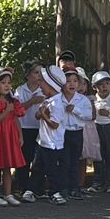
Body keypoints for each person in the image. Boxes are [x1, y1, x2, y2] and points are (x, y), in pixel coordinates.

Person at [0, 69, 25, 206]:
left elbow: (15, 119)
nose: (7, 85)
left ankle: (8, 194)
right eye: (3, 83)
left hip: (10, 135)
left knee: (7, 166)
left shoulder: (12, 101)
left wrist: (20, 135)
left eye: (9, 82)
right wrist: (7, 110)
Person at [34, 68, 71, 204]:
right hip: (42, 141)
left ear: (50, 84)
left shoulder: (57, 104)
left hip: (52, 143)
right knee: (37, 167)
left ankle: (55, 192)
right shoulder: (48, 100)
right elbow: (38, 115)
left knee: (51, 169)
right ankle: (32, 190)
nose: (39, 85)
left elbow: (54, 125)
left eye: (42, 82)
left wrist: (44, 115)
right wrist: (40, 113)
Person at [15, 64, 51, 202]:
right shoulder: (20, 90)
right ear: (28, 75)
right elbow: (17, 109)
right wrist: (31, 101)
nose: (38, 76)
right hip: (25, 127)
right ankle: (23, 187)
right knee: (24, 159)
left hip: (40, 127)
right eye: (36, 72)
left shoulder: (44, 89)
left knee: (39, 159)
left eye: (41, 73)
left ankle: (37, 188)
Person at [55, 68, 91, 200]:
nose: (72, 84)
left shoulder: (83, 100)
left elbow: (88, 115)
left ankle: (74, 187)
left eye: (75, 81)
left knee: (75, 161)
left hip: (77, 133)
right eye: (68, 81)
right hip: (63, 133)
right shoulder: (58, 99)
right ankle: (63, 187)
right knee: (64, 161)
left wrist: (75, 110)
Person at [90, 71, 110, 193]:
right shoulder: (92, 100)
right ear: (94, 87)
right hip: (96, 127)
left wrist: (109, 113)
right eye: (100, 84)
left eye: (107, 83)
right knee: (98, 155)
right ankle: (97, 181)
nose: (104, 86)